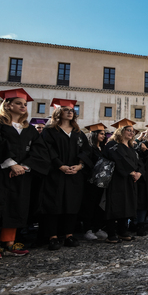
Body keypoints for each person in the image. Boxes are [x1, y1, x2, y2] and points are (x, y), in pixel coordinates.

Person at [0, 88, 49, 260]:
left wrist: (25, 166)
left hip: (21, 174)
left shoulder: (29, 129)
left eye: (25, 104)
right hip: (0, 172)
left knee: (16, 206)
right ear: (8, 105)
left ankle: (10, 242)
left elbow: (39, 151)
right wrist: (11, 164)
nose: (23, 107)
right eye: (18, 103)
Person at [39, 99, 92, 251]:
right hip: (55, 173)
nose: (70, 112)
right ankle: (53, 236)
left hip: (74, 174)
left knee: (72, 204)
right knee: (53, 204)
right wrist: (59, 165)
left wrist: (80, 165)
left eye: (72, 110)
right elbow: (47, 150)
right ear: (58, 112)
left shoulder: (78, 133)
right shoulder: (49, 131)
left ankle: (69, 234)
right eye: (66, 110)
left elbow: (86, 151)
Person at [103, 121, 144, 242]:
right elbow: (119, 160)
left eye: (133, 131)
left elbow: (139, 163)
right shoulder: (112, 145)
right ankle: (111, 234)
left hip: (129, 181)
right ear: (121, 131)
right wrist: (132, 172)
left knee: (127, 205)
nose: (132, 133)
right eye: (128, 130)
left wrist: (139, 173)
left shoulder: (131, 148)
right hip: (116, 180)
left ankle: (122, 231)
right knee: (114, 205)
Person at [81, 123, 110, 240]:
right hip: (91, 182)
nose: (103, 136)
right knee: (89, 205)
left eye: (104, 134)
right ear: (94, 135)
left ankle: (97, 228)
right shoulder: (88, 148)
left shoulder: (103, 148)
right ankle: (88, 229)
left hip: (101, 182)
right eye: (101, 134)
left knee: (100, 205)